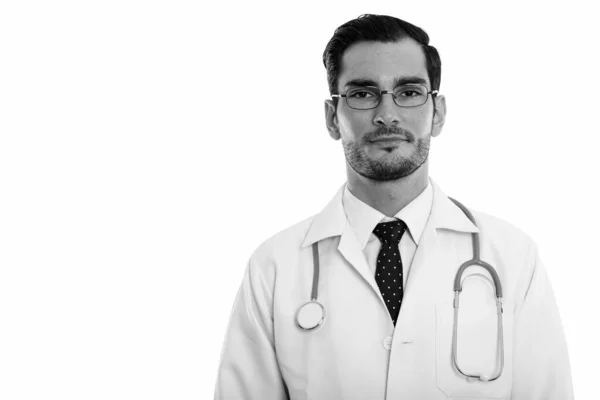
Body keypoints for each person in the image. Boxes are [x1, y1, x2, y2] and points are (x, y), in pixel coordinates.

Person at [214, 14, 573, 400]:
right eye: (363, 93)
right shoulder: (274, 267)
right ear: (332, 118)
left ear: (438, 113)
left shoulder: (513, 258)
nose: (387, 114)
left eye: (408, 92)